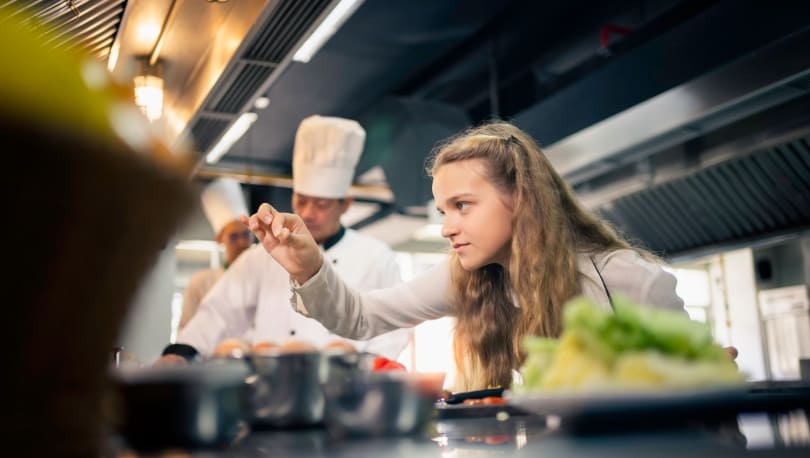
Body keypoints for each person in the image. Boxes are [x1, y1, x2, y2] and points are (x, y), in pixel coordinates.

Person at [244, 121, 689, 391]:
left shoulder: (630, 281)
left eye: (462, 206)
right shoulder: (466, 276)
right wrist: (307, 266)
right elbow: (362, 315)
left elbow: (713, 414)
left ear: (521, 197)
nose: (446, 227)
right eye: (443, 211)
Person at [162, 115, 411, 362]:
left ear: (345, 205)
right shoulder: (260, 257)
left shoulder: (376, 257)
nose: (307, 214)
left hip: (345, 392)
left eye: (321, 205)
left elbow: (393, 329)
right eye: (301, 201)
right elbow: (218, 313)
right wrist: (181, 352)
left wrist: (362, 364)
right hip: (267, 390)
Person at [177, 178, 253, 330]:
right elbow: (185, 330)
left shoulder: (262, 276)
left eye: (246, 234)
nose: (242, 242)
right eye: (233, 237)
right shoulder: (202, 282)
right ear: (219, 239)